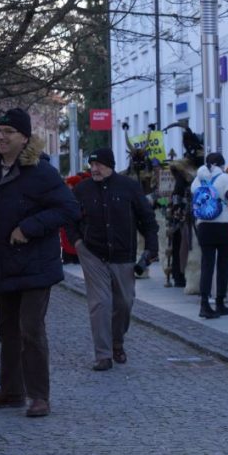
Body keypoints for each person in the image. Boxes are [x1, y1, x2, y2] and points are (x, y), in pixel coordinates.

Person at [0, 108, 79, 418]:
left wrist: (28, 228)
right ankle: (11, 391)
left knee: (30, 329)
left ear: (25, 138)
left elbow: (68, 209)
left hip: (35, 264)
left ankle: (39, 396)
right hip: (3, 262)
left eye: (8, 132)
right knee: (6, 330)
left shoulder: (42, 172)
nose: (1, 136)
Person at [66, 148, 159, 371]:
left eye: (99, 165)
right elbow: (69, 218)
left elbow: (147, 219)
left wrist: (151, 247)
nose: (94, 169)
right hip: (92, 253)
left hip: (123, 254)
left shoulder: (129, 187)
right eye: (92, 165)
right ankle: (103, 355)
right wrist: (77, 242)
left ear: (110, 165)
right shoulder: (82, 189)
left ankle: (117, 342)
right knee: (100, 303)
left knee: (124, 303)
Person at [191, 152, 228, 319]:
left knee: (207, 264)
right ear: (220, 164)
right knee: (223, 264)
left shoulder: (198, 180)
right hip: (223, 225)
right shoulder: (224, 178)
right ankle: (220, 302)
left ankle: (204, 304)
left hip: (204, 226)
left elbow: (194, 199)